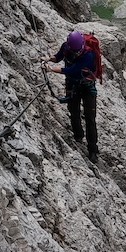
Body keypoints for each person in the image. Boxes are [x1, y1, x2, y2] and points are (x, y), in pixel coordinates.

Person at [45, 31, 98, 163]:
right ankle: (78, 136)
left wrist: (51, 69)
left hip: (86, 86)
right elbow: (58, 57)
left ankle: (93, 150)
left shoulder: (88, 55)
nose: (76, 53)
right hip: (73, 84)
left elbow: (72, 70)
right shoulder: (66, 47)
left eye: (78, 51)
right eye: (75, 51)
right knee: (73, 111)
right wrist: (48, 59)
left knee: (90, 117)